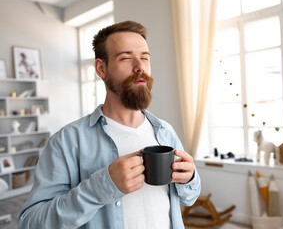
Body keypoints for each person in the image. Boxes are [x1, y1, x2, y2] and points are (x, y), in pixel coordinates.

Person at [19, 20, 201, 229]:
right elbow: (31, 223)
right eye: (125, 58)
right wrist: (101, 187)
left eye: (145, 58)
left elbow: (189, 198)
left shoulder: (166, 132)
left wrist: (190, 179)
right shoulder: (66, 142)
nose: (139, 67)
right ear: (101, 68)